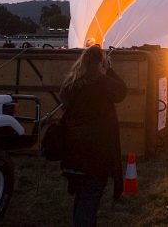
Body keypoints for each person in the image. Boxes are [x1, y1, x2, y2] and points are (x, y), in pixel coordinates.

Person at [59, 45, 127, 227]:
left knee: (82, 196)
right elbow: (122, 91)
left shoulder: (71, 84)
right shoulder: (102, 83)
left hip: (72, 149)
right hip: (95, 153)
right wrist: (109, 69)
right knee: (90, 197)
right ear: (100, 64)